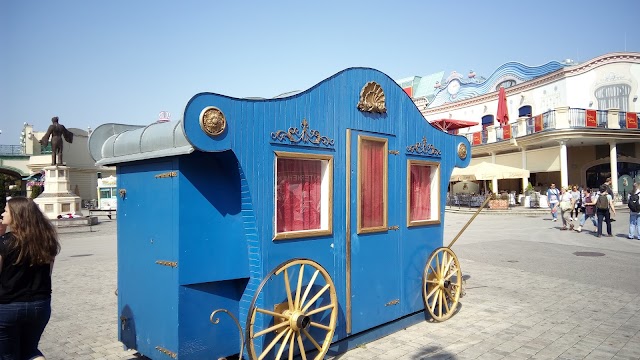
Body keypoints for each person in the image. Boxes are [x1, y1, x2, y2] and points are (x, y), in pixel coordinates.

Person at [0, 197, 61, 359]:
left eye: (6, 210)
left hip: (7, 307)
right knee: (30, 351)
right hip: (40, 305)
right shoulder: (46, 241)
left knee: (8, 355)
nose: (2, 213)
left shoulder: (4, 243)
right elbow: (48, 273)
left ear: (17, 215)